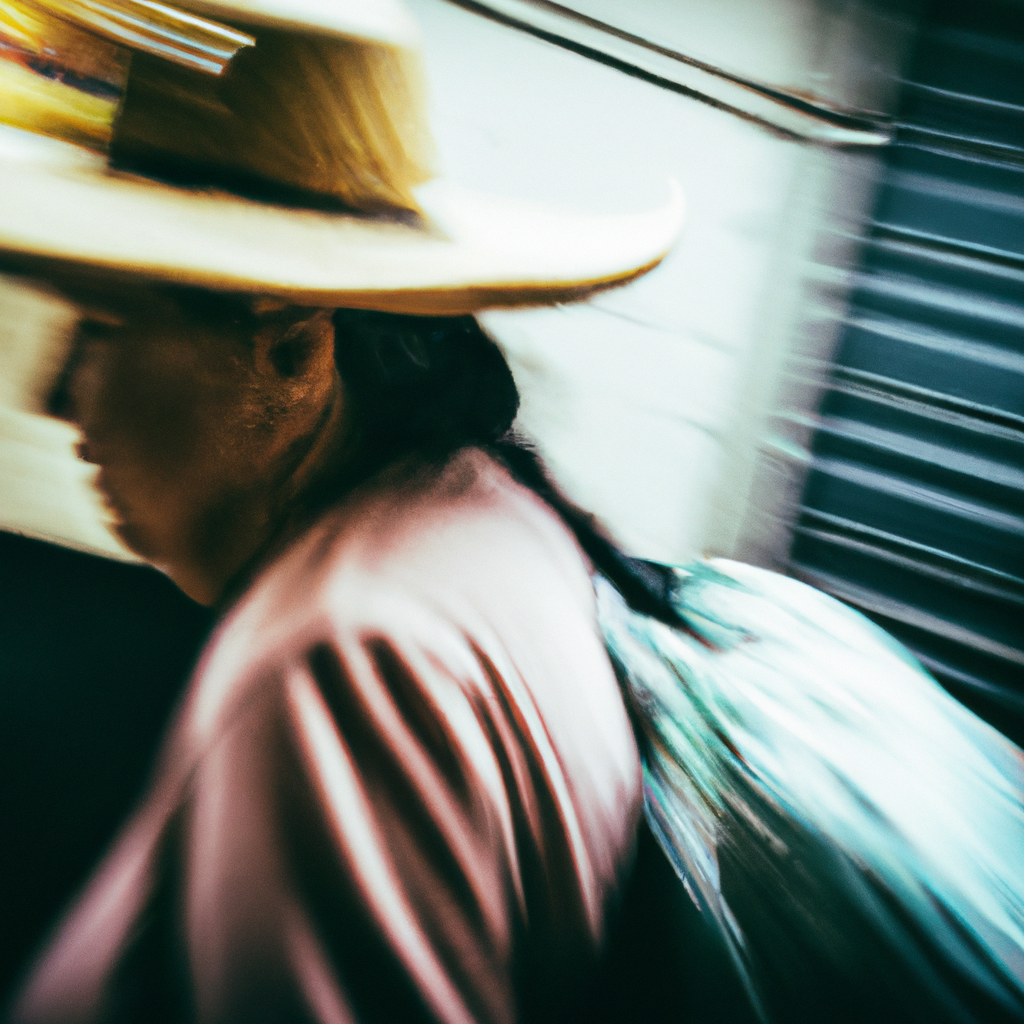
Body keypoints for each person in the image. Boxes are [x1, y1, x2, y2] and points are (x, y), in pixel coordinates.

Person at [0, 0, 686, 1021]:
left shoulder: (344, 660)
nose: (50, 394)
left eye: (101, 327)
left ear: (290, 347)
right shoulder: (477, 517)